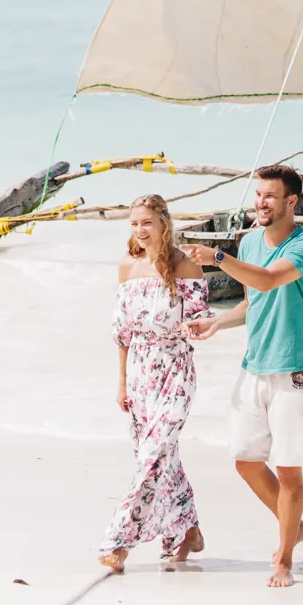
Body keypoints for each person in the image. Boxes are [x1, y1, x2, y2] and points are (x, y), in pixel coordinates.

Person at [184, 165, 303, 590]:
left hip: (297, 369)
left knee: (289, 472)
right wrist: (218, 323)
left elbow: (269, 278)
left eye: (269, 196)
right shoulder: (247, 241)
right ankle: (293, 525)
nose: (260, 203)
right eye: (257, 195)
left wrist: (217, 259)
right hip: (254, 366)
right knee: (246, 460)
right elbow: (253, 300)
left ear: (291, 202)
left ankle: (284, 560)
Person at [97, 194, 208, 574]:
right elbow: (122, 334)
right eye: (133, 224)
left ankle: (119, 541)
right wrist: (122, 383)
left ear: (164, 223)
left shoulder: (186, 267)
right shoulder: (127, 268)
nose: (140, 230)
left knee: (152, 456)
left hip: (175, 370)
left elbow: (200, 321)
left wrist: (200, 326)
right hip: (141, 373)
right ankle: (187, 530)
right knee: (164, 458)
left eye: (146, 222)